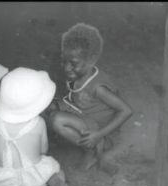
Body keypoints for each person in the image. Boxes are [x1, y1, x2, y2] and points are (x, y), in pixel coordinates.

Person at [50, 23, 133, 171]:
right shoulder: (78, 75)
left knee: (57, 120)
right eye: (64, 61)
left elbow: (126, 110)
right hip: (85, 118)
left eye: (73, 63)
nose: (66, 67)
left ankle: (93, 151)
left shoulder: (98, 88)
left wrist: (98, 135)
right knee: (48, 106)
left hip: (101, 133)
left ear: (91, 60)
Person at [0, 68, 72, 186]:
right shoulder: (39, 123)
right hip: (35, 184)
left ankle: (14, 183)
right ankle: (55, 180)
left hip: (1, 179)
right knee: (49, 166)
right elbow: (43, 151)